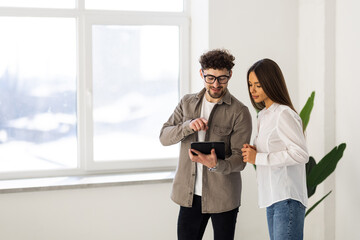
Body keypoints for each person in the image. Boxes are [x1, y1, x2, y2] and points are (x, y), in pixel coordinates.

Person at [159, 49, 252, 240]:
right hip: (189, 195)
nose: (216, 84)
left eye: (222, 78)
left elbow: (240, 160)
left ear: (230, 75)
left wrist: (215, 164)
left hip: (224, 197)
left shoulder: (240, 112)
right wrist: (188, 126)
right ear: (201, 73)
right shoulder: (187, 103)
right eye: (210, 77)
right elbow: (164, 137)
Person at [241, 58, 309, 240]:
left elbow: (301, 154)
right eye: (250, 84)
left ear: (270, 84)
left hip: (287, 199)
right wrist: (256, 150)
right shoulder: (263, 115)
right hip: (271, 198)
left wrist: (259, 158)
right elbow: (276, 147)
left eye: (258, 85)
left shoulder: (284, 114)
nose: (252, 90)